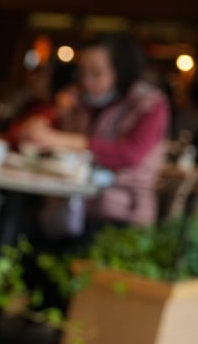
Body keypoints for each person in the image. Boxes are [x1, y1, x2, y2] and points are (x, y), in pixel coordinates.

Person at [20, 33, 170, 228]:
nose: (87, 80)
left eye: (96, 73)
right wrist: (42, 124)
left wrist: (62, 140)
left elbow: (129, 153)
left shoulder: (149, 103)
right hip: (69, 208)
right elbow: (46, 132)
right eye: (82, 72)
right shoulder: (78, 99)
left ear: (121, 71)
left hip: (123, 213)